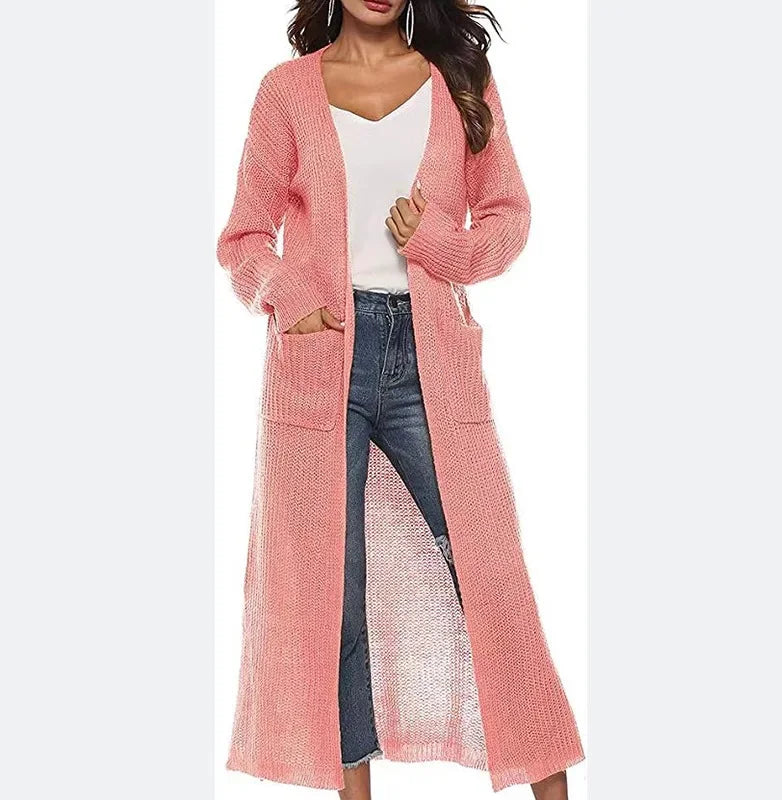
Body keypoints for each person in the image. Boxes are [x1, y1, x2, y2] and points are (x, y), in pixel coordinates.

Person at [217, 2, 584, 799]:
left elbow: (510, 217)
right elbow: (244, 238)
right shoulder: (286, 91)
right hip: (321, 361)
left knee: (491, 576)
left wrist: (436, 245)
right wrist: (287, 296)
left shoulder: (459, 80)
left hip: (432, 358)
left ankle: (551, 786)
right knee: (334, 595)